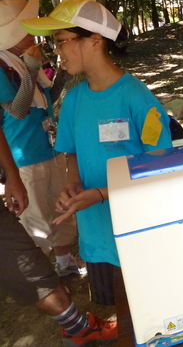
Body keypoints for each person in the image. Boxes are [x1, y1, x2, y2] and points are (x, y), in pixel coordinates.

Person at [21, 0, 173, 306]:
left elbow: (160, 163)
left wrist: (102, 193)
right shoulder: (75, 100)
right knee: (115, 310)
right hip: (95, 237)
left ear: (95, 40)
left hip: (137, 233)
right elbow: (72, 153)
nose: (57, 52)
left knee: (150, 312)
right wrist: (73, 185)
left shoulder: (137, 97)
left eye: (62, 41)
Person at [0, 123, 117, 346]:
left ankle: (78, 329)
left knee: (31, 263)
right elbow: (17, 109)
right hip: (28, 160)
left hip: (43, 154)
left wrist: (11, 174)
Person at [0, 0, 82, 277]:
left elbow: (46, 100)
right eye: (27, 28)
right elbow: (18, 111)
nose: (34, 33)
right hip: (25, 153)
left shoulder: (22, 61)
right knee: (36, 219)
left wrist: (59, 77)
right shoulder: (4, 66)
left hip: (50, 147)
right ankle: (39, 279)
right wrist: (33, 69)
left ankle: (64, 262)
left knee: (60, 208)